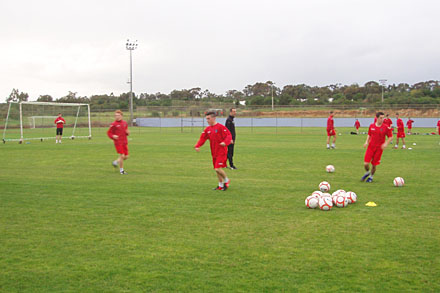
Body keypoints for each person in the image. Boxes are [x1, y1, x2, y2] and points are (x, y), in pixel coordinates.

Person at [195, 111, 232, 191]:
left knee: (217, 168)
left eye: (208, 118)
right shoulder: (207, 129)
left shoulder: (221, 127)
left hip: (221, 151)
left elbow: (229, 135)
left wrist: (225, 142)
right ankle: (220, 185)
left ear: (214, 118)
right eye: (206, 119)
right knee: (216, 169)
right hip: (214, 151)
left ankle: (226, 180)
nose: (207, 120)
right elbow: (203, 138)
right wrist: (197, 146)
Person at [361, 112, 393, 183]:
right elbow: (369, 134)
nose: (382, 119)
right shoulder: (371, 126)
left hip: (379, 149)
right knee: (366, 163)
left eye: (383, 118)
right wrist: (366, 142)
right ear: (377, 118)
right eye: (381, 118)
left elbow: (390, 137)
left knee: (374, 165)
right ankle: (367, 172)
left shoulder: (386, 127)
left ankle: (371, 177)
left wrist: (386, 143)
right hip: (370, 147)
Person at [107, 110, 130, 175]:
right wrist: (113, 136)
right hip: (118, 142)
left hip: (124, 142)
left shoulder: (125, 123)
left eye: (118, 115)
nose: (117, 117)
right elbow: (109, 133)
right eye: (115, 115)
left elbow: (126, 131)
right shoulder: (113, 124)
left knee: (126, 157)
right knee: (122, 156)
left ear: (121, 116)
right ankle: (121, 171)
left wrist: (127, 133)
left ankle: (115, 162)